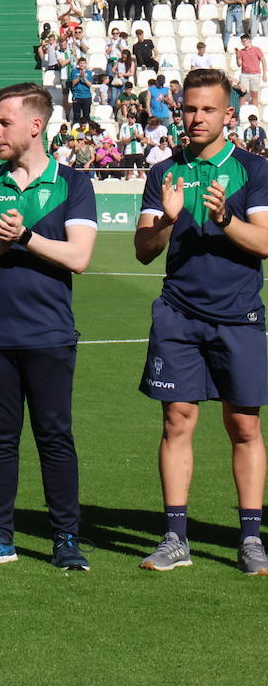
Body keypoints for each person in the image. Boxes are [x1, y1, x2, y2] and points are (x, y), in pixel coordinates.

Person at [0, 83, 97, 571]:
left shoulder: (73, 183)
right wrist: (1, 245)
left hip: (50, 332)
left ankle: (66, 539)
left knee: (55, 436)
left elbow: (79, 257)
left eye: (3, 122)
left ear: (35, 125)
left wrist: (27, 237)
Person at [133, 67, 268, 576]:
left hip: (238, 314)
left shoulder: (254, 171)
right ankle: (175, 537)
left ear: (228, 114)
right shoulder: (163, 171)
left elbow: (267, 243)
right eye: (189, 108)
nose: (195, 117)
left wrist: (225, 220)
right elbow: (144, 251)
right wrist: (167, 219)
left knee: (244, 425)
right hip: (178, 313)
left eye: (207, 109)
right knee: (176, 421)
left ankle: (251, 539)